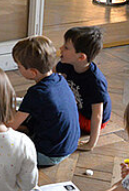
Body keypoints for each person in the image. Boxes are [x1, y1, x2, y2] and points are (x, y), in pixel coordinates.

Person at [8, 36, 80, 166]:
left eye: (19, 67)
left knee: (4, 148)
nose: (18, 69)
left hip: (49, 154)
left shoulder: (37, 93)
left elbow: (11, 126)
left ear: (33, 72)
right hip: (69, 146)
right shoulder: (59, 79)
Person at [56, 26, 111, 151]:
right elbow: (49, 75)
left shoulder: (95, 81)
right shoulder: (66, 64)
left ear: (81, 57)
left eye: (66, 47)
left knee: (58, 116)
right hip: (79, 108)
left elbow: (97, 116)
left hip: (89, 119)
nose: (60, 49)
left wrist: (90, 144)